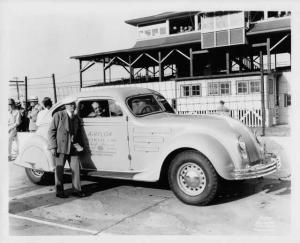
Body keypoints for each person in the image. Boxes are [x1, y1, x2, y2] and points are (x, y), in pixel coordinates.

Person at [48, 97, 86, 198]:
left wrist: (80, 146)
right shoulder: (59, 115)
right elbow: (51, 131)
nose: (73, 106)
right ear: (65, 106)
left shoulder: (76, 117)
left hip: (73, 147)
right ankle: (59, 192)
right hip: (61, 147)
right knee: (59, 170)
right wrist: (53, 146)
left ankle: (77, 190)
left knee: (76, 169)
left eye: (73, 104)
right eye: (70, 104)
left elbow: (78, 133)